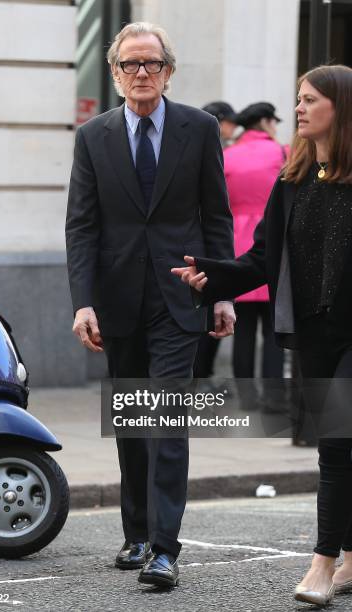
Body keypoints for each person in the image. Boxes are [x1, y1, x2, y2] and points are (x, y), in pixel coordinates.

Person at [172, 64, 352, 605]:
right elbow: (261, 259)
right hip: (316, 334)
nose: (297, 108)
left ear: (339, 109)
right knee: (339, 447)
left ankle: (322, 562)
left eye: (309, 100)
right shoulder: (293, 182)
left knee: (340, 442)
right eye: (297, 98)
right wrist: (211, 276)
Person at [65, 21, 235, 588]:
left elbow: (217, 216)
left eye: (152, 64)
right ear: (114, 74)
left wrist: (221, 292)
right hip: (116, 303)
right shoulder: (93, 137)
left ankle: (165, 548)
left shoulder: (200, 128)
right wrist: (84, 303)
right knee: (133, 423)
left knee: (165, 417)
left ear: (169, 71)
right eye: (130, 65)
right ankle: (136, 534)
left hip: (178, 298)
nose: (142, 73)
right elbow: (82, 227)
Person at [225, 103, 285, 402]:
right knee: (275, 330)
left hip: (236, 247)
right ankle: (274, 399)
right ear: (264, 121)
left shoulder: (227, 155)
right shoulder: (280, 153)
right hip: (272, 244)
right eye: (274, 121)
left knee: (243, 328)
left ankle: (246, 396)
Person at [193, 101, 237, 381]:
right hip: (208, 251)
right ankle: (202, 374)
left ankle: (201, 375)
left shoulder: (230, 154)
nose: (235, 128)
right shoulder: (215, 150)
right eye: (231, 122)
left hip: (219, 249)